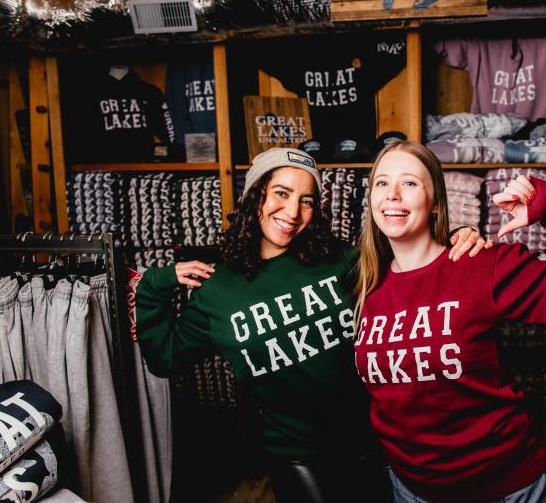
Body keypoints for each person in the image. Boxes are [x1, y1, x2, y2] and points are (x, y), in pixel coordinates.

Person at [134, 147, 489, 503]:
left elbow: (416, 258)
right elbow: (164, 358)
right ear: (254, 195)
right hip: (299, 457)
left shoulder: (343, 261)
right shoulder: (216, 290)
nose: (292, 212)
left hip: (375, 441)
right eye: (281, 193)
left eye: (307, 200)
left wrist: (459, 235)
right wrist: (154, 284)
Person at [353, 140, 546, 503]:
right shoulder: (365, 286)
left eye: (410, 183)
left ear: (435, 204)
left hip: (509, 488)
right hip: (414, 491)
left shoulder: (480, 265)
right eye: (382, 183)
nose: (393, 195)